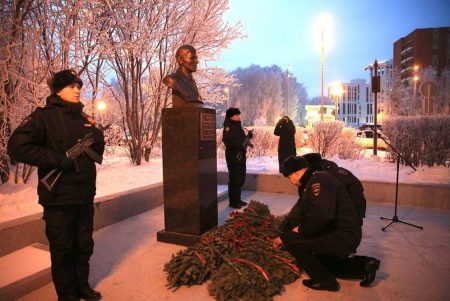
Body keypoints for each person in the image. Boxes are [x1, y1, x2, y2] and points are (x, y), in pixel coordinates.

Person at [7, 69, 105, 301]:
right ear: (58, 90)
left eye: (78, 86)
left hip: (83, 194)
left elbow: (95, 153)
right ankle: (67, 294)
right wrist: (58, 160)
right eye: (71, 86)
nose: (77, 90)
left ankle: (82, 286)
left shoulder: (83, 118)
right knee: (62, 249)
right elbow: (17, 147)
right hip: (59, 197)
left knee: (84, 244)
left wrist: (97, 139)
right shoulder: (43, 117)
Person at [273, 156, 380, 291]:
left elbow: (321, 215)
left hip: (342, 235)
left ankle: (325, 282)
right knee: (323, 263)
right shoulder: (316, 179)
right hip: (340, 232)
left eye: (289, 177)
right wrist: (293, 228)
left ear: (297, 172)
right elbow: (308, 212)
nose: (290, 181)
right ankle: (364, 266)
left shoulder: (319, 181)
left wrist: (297, 231)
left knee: (293, 243)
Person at [302, 153, 366, 225]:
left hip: (350, 209)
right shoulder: (332, 169)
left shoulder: (323, 174)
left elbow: (322, 202)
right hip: (358, 204)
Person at [222, 107, 252, 209]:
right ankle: (233, 202)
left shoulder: (238, 126)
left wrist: (248, 137)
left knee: (240, 178)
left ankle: (238, 199)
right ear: (232, 116)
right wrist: (240, 145)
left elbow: (243, 139)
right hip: (233, 156)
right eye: (237, 115)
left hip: (241, 156)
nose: (239, 116)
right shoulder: (228, 127)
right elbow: (227, 141)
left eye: (239, 114)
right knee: (234, 179)